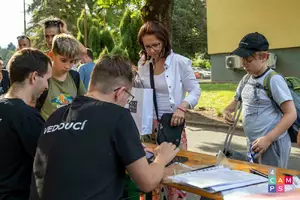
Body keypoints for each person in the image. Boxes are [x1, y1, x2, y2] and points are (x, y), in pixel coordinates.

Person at [29, 55, 179, 200]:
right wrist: (162, 157)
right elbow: (147, 182)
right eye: (128, 97)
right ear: (120, 92)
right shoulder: (118, 115)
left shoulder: (56, 115)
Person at [137, 21, 201, 200]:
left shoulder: (179, 62)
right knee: (150, 175)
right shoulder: (143, 64)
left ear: (164, 41)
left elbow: (195, 90)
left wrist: (183, 107)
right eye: (147, 46)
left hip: (172, 124)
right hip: (148, 125)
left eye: (155, 45)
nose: (152, 51)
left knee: (175, 176)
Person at [223, 32, 297, 168]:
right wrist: (226, 111)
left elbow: (291, 114)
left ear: (264, 57)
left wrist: (268, 139)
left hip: (272, 143)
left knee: (274, 185)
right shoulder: (246, 79)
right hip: (254, 143)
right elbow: (235, 103)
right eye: (242, 59)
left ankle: (292, 188)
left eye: (248, 60)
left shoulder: (273, 80)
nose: (244, 64)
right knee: (258, 182)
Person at [0, 48, 52, 200]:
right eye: (47, 79)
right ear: (34, 77)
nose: (47, 86)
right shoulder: (27, 118)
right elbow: (49, 162)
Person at [38, 33, 86, 120]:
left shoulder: (75, 77)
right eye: (63, 60)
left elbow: (85, 103)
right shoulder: (42, 78)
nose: (68, 66)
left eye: (72, 61)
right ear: (51, 55)